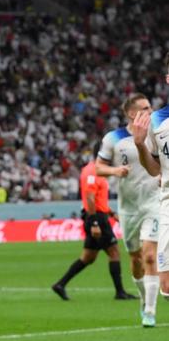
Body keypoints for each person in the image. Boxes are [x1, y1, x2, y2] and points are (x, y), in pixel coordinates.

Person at [95, 93, 160, 327]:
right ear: (132, 113)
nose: (151, 112)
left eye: (151, 107)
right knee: (135, 258)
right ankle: (144, 300)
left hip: (154, 203)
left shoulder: (157, 133)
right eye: (145, 108)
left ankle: (150, 312)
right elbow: (98, 167)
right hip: (128, 208)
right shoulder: (114, 138)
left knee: (150, 255)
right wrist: (115, 171)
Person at [52, 142, 137, 302]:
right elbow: (90, 198)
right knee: (114, 252)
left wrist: (111, 213)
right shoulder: (92, 172)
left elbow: (96, 199)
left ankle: (60, 284)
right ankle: (120, 292)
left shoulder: (95, 170)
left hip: (99, 215)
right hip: (96, 218)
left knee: (88, 257)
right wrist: (95, 223)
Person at [130, 51, 169, 316]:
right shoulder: (157, 120)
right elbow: (154, 167)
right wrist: (139, 145)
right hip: (168, 204)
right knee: (167, 286)